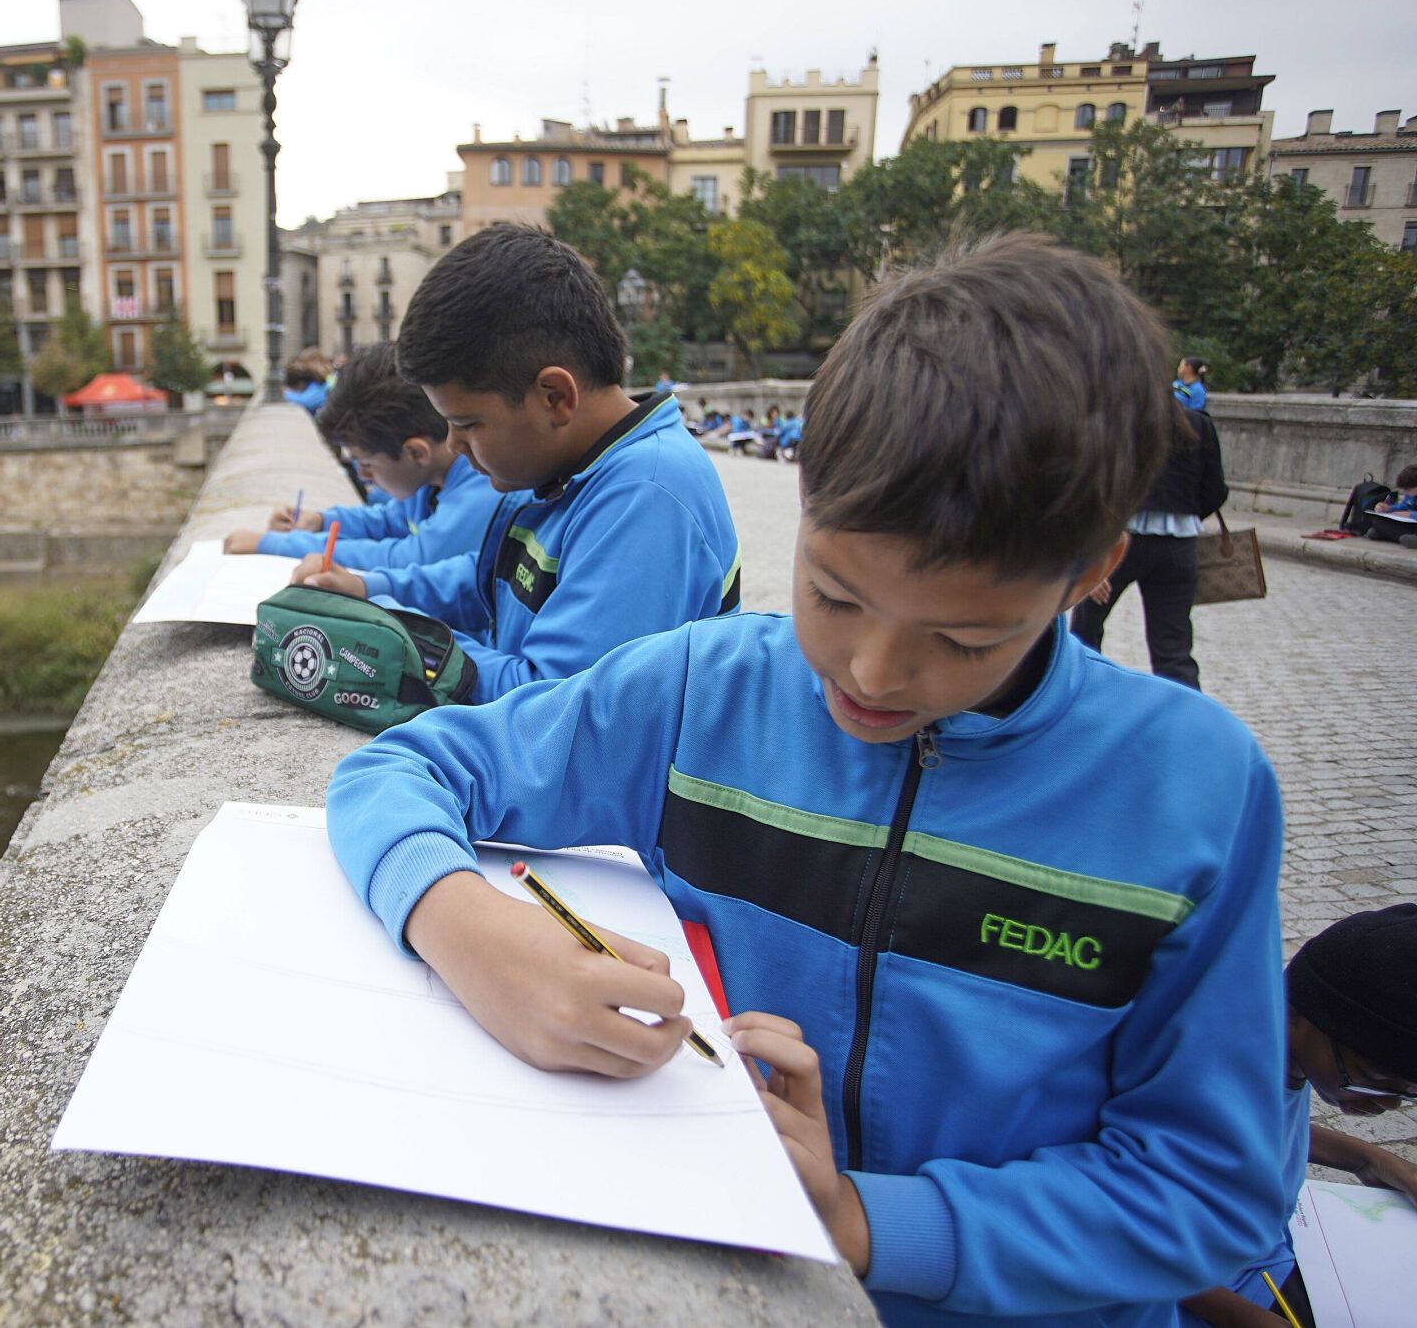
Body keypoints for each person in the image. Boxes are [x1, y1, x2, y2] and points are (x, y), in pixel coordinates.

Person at [326, 233, 1291, 1326]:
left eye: (964, 638)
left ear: (1091, 573)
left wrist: (870, 1222)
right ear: (802, 495)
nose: (870, 674)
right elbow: (402, 768)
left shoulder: (1196, 792)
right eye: (834, 594)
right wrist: (465, 929)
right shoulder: (701, 690)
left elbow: (1210, 1184)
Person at [296, 224, 739, 703]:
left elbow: (555, 705)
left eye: (467, 424)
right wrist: (368, 587)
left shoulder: (646, 497)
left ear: (554, 398)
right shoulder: (556, 465)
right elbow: (489, 580)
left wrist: (392, 629)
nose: (454, 445)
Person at [1187, 904, 1417, 1326]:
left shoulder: (1282, 1047)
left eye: (1407, 1093)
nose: (1386, 1104)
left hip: (1262, 1261)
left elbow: (1262, 1132)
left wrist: (1370, 1159)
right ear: (1299, 1016)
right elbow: (1121, 1232)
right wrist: (1248, 1319)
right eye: (1371, 1079)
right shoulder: (1205, 1076)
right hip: (1196, 1294)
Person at [223, 343, 506, 572]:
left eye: (367, 463)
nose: (362, 475)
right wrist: (320, 521)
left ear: (416, 452)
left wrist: (272, 546)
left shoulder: (481, 491)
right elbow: (390, 521)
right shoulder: (431, 478)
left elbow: (410, 559)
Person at [1069, 394, 1229, 689]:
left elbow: (1088, 489)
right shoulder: (1197, 424)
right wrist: (1182, 511)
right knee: (1173, 650)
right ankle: (1182, 716)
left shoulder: (1114, 420)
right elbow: (1215, 491)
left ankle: (1083, 703)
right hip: (1178, 547)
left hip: (1117, 542)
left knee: (1085, 634)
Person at [1362, 463, 1417, 547]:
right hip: (1409, 524)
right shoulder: (1411, 495)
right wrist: (1388, 508)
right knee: (1377, 520)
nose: (1405, 492)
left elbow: (1409, 513)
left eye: (1408, 489)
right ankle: (1389, 534)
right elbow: (1404, 506)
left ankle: (1386, 534)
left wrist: (1410, 514)